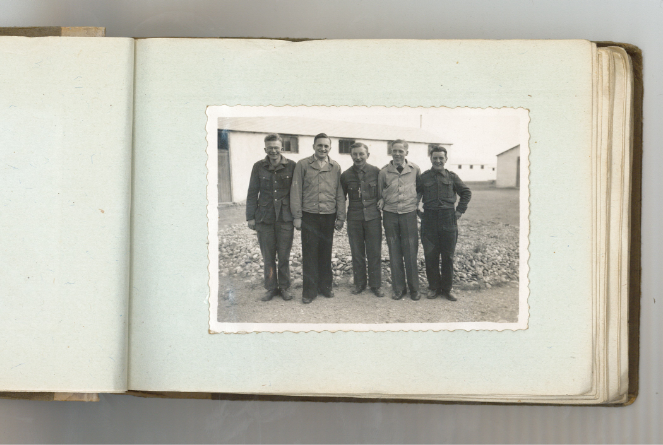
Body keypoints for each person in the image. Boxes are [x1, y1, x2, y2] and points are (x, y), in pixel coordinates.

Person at [290, 133, 346, 304]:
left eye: (326, 146)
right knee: (310, 254)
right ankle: (309, 291)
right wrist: (297, 217)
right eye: (319, 145)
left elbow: (339, 193)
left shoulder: (335, 167)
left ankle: (325, 287)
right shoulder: (303, 165)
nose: (323, 149)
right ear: (313, 146)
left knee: (325, 252)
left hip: (328, 215)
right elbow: (296, 191)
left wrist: (340, 217)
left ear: (330, 148)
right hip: (309, 216)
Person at [245, 133, 297, 302]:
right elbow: (252, 192)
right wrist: (250, 217)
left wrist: (297, 216)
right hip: (264, 218)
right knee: (268, 256)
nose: (273, 151)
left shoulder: (292, 166)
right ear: (265, 149)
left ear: (282, 148)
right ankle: (270, 288)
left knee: (284, 256)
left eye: (276, 147)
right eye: (270, 148)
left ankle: (284, 287)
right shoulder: (258, 166)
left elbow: (296, 193)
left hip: (285, 218)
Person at [417, 145, 471, 301]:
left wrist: (459, 211)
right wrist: (417, 212)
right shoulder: (424, 177)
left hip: (448, 220)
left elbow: (466, 192)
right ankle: (433, 287)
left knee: (448, 256)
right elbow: (414, 195)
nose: (438, 161)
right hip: (429, 220)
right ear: (431, 159)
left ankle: (447, 289)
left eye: (441, 158)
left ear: (446, 159)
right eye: (435, 158)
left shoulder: (452, 177)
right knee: (430, 256)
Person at [377, 139, 422, 300]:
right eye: (394, 151)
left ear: (406, 153)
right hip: (390, 215)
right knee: (394, 251)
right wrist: (383, 199)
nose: (397, 154)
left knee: (410, 251)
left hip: (409, 214)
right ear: (391, 152)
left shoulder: (415, 169)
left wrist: (415, 204)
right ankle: (398, 288)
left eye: (400, 151)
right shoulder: (384, 172)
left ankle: (414, 289)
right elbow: (380, 190)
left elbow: (420, 189)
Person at [340, 142, 385, 298]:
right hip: (354, 218)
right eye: (355, 154)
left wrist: (382, 200)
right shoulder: (345, 175)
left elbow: (383, 193)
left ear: (367, 155)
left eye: (361, 154)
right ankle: (359, 283)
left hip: (373, 218)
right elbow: (341, 198)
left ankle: (375, 285)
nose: (358, 157)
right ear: (351, 155)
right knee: (357, 253)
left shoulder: (377, 172)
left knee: (374, 252)